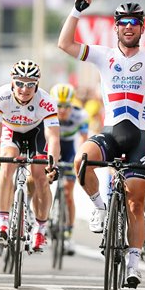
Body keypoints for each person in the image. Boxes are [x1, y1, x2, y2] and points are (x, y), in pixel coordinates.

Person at [57, 0, 145, 286]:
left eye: (135, 22)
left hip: (139, 138)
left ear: (142, 29)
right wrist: (77, 9)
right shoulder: (102, 56)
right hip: (110, 133)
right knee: (82, 161)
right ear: (116, 28)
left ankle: (134, 263)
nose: (129, 27)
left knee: (135, 202)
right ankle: (99, 207)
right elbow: (65, 44)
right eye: (124, 22)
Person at [0, 60, 61, 253]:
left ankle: (40, 228)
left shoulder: (46, 100)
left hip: (35, 133)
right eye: (20, 83)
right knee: (6, 163)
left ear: (37, 83)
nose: (24, 89)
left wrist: (52, 164)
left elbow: (53, 136)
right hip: (10, 132)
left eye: (30, 83)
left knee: (40, 176)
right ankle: (3, 223)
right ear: (12, 82)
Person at [50, 83, 89, 255]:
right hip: (51, 147)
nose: (62, 110)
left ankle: (68, 232)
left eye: (66, 106)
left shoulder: (80, 115)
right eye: (58, 105)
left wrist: (78, 160)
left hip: (69, 151)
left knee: (68, 192)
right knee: (39, 183)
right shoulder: (48, 113)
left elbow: (84, 140)